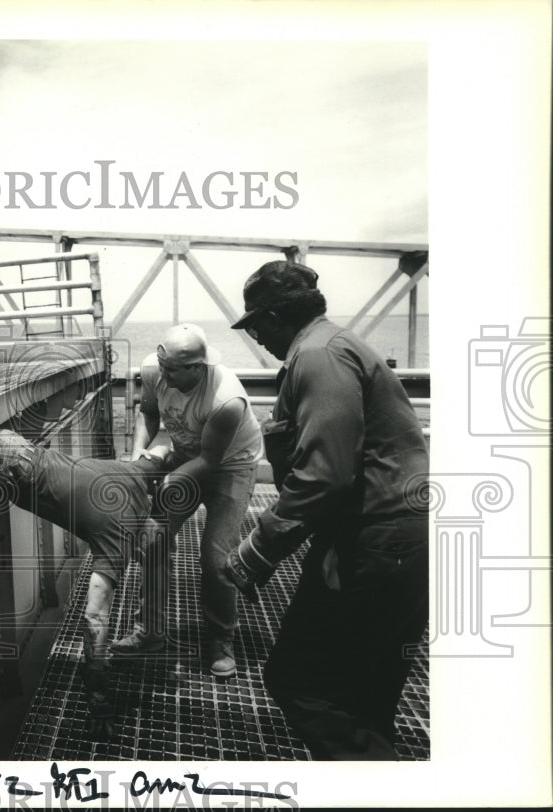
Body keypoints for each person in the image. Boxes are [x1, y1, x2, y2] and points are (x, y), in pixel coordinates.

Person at [226, 260, 429, 760]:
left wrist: (256, 551)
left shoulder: (316, 356)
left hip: (380, 542)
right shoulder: (338, 344)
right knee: (363, 700)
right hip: (394, 536)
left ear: (273, 317)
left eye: (255, 325)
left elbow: (326, 477)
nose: (258, 337)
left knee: (301, 682)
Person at [0, 428, 170, 740]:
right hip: (2, 470)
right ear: (139, 546)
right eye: (142, 559)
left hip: (14, 444)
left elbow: (162, 446)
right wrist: (97, 695)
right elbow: (94, 619)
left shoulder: (136, 474)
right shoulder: (118, 539)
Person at [109, 324, 262, 679]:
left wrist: (167, 482)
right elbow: (148, 413)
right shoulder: (153, 370)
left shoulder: (226, 400)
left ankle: (220, 640)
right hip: (187, 455)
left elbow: (210, 461)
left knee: (215, 557)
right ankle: (150, 633)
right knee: (153, 539)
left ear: (198, 367)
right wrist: (137, 457)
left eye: (171, 370)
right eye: (160, 366)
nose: (161, 375)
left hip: (230, 467)